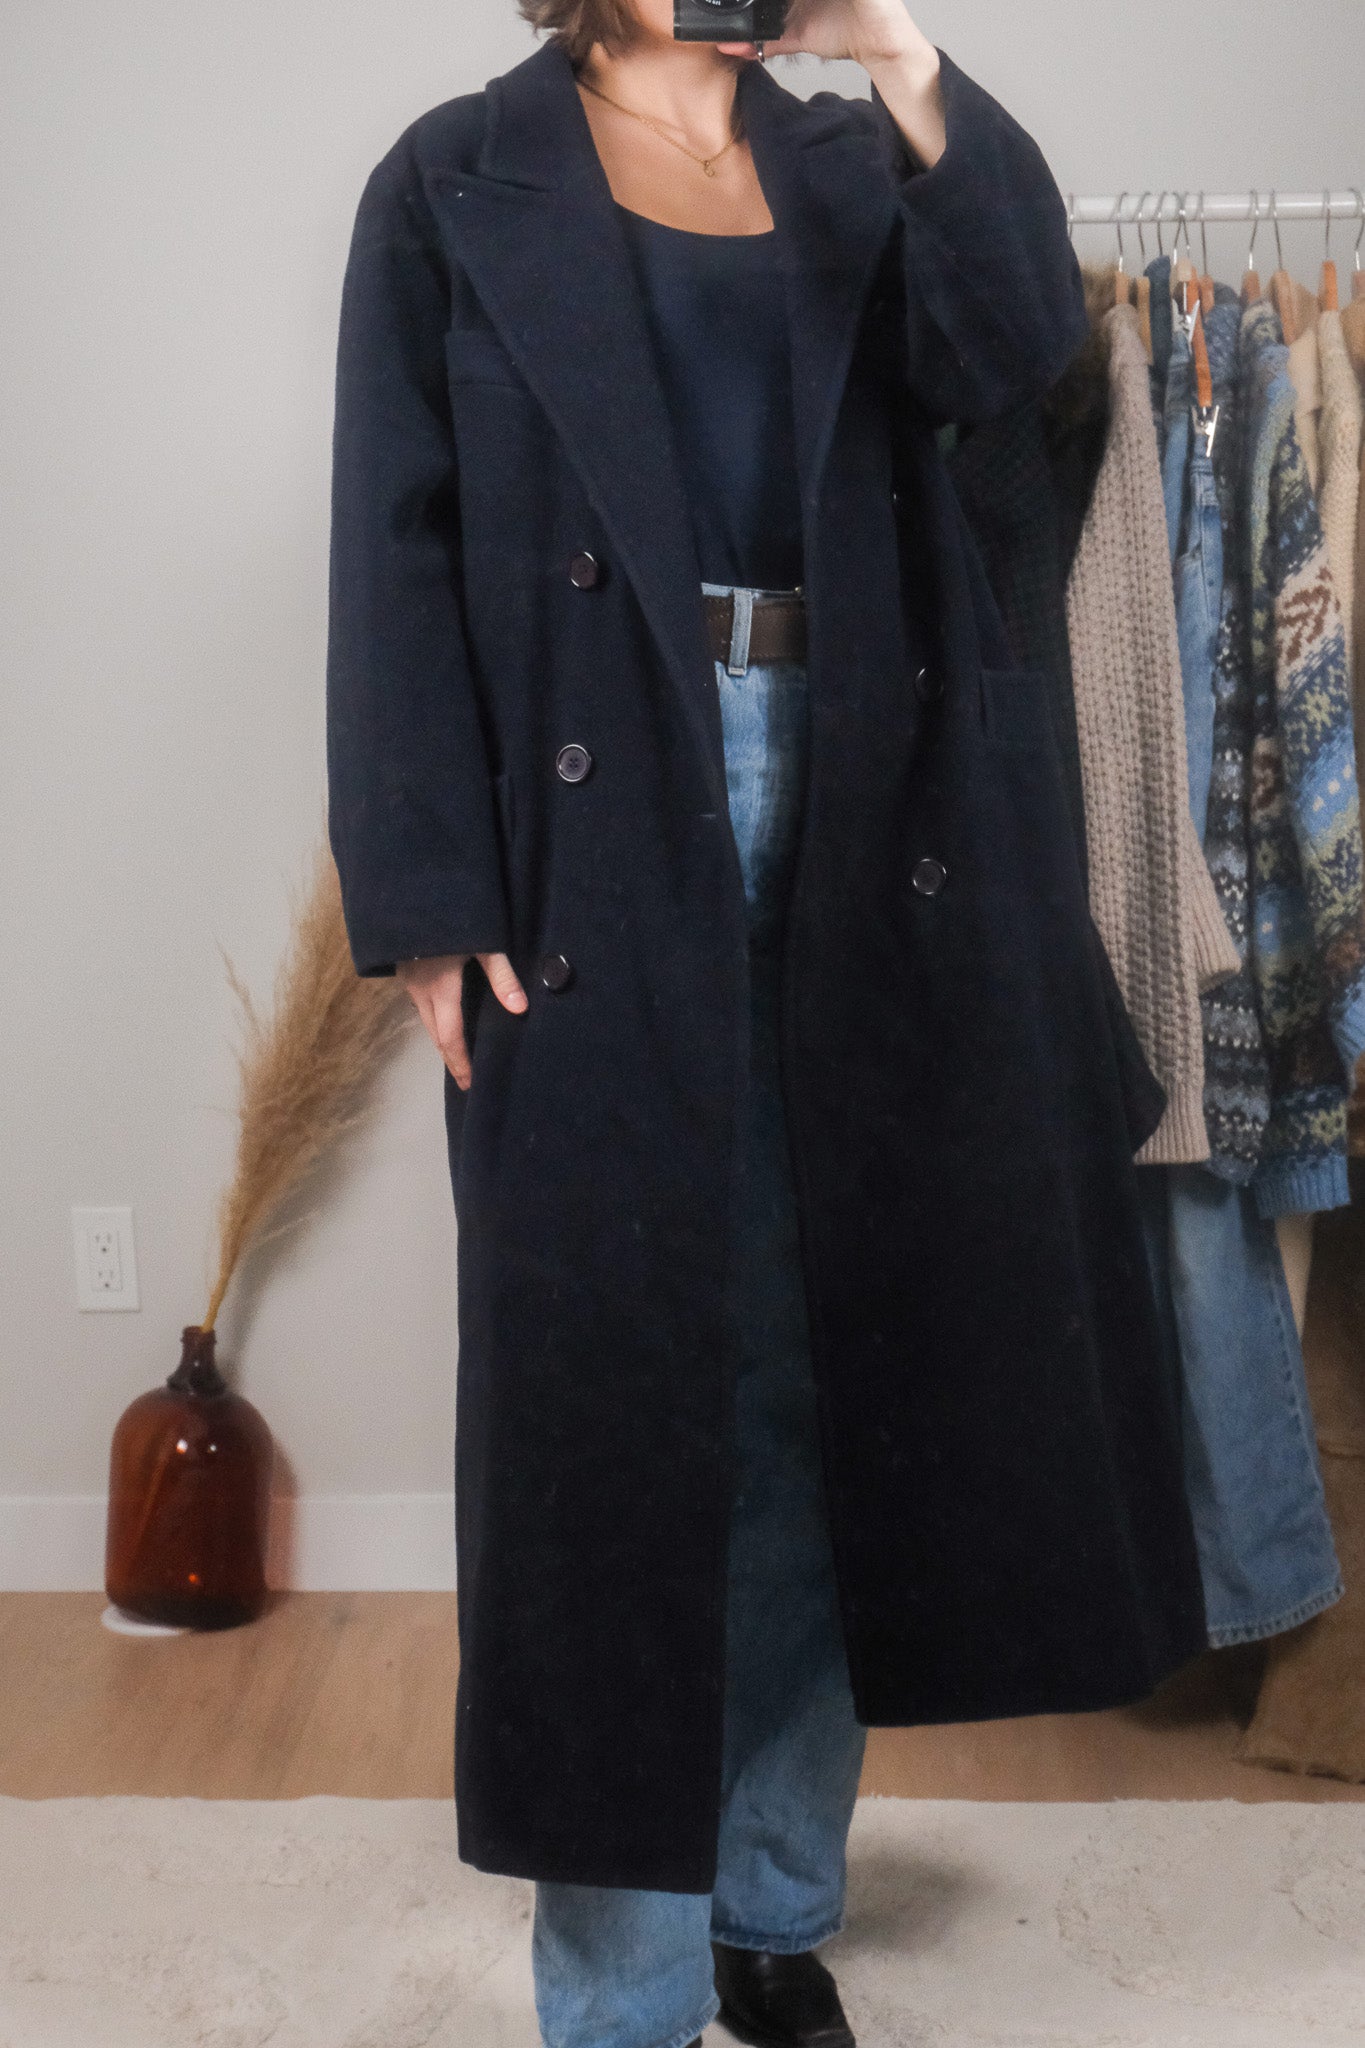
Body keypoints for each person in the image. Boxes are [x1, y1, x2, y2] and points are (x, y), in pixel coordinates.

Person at [324, 5, 1210, 2046]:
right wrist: (430, 899)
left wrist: (896, 53)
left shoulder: (846, 164)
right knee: (615, 1412)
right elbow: (395, 538)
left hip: (881, 793)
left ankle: (769, 1903)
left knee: (835, 1370)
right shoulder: (452, 176)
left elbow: (1022, 361)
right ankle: (620, 1982)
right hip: (595, 809)